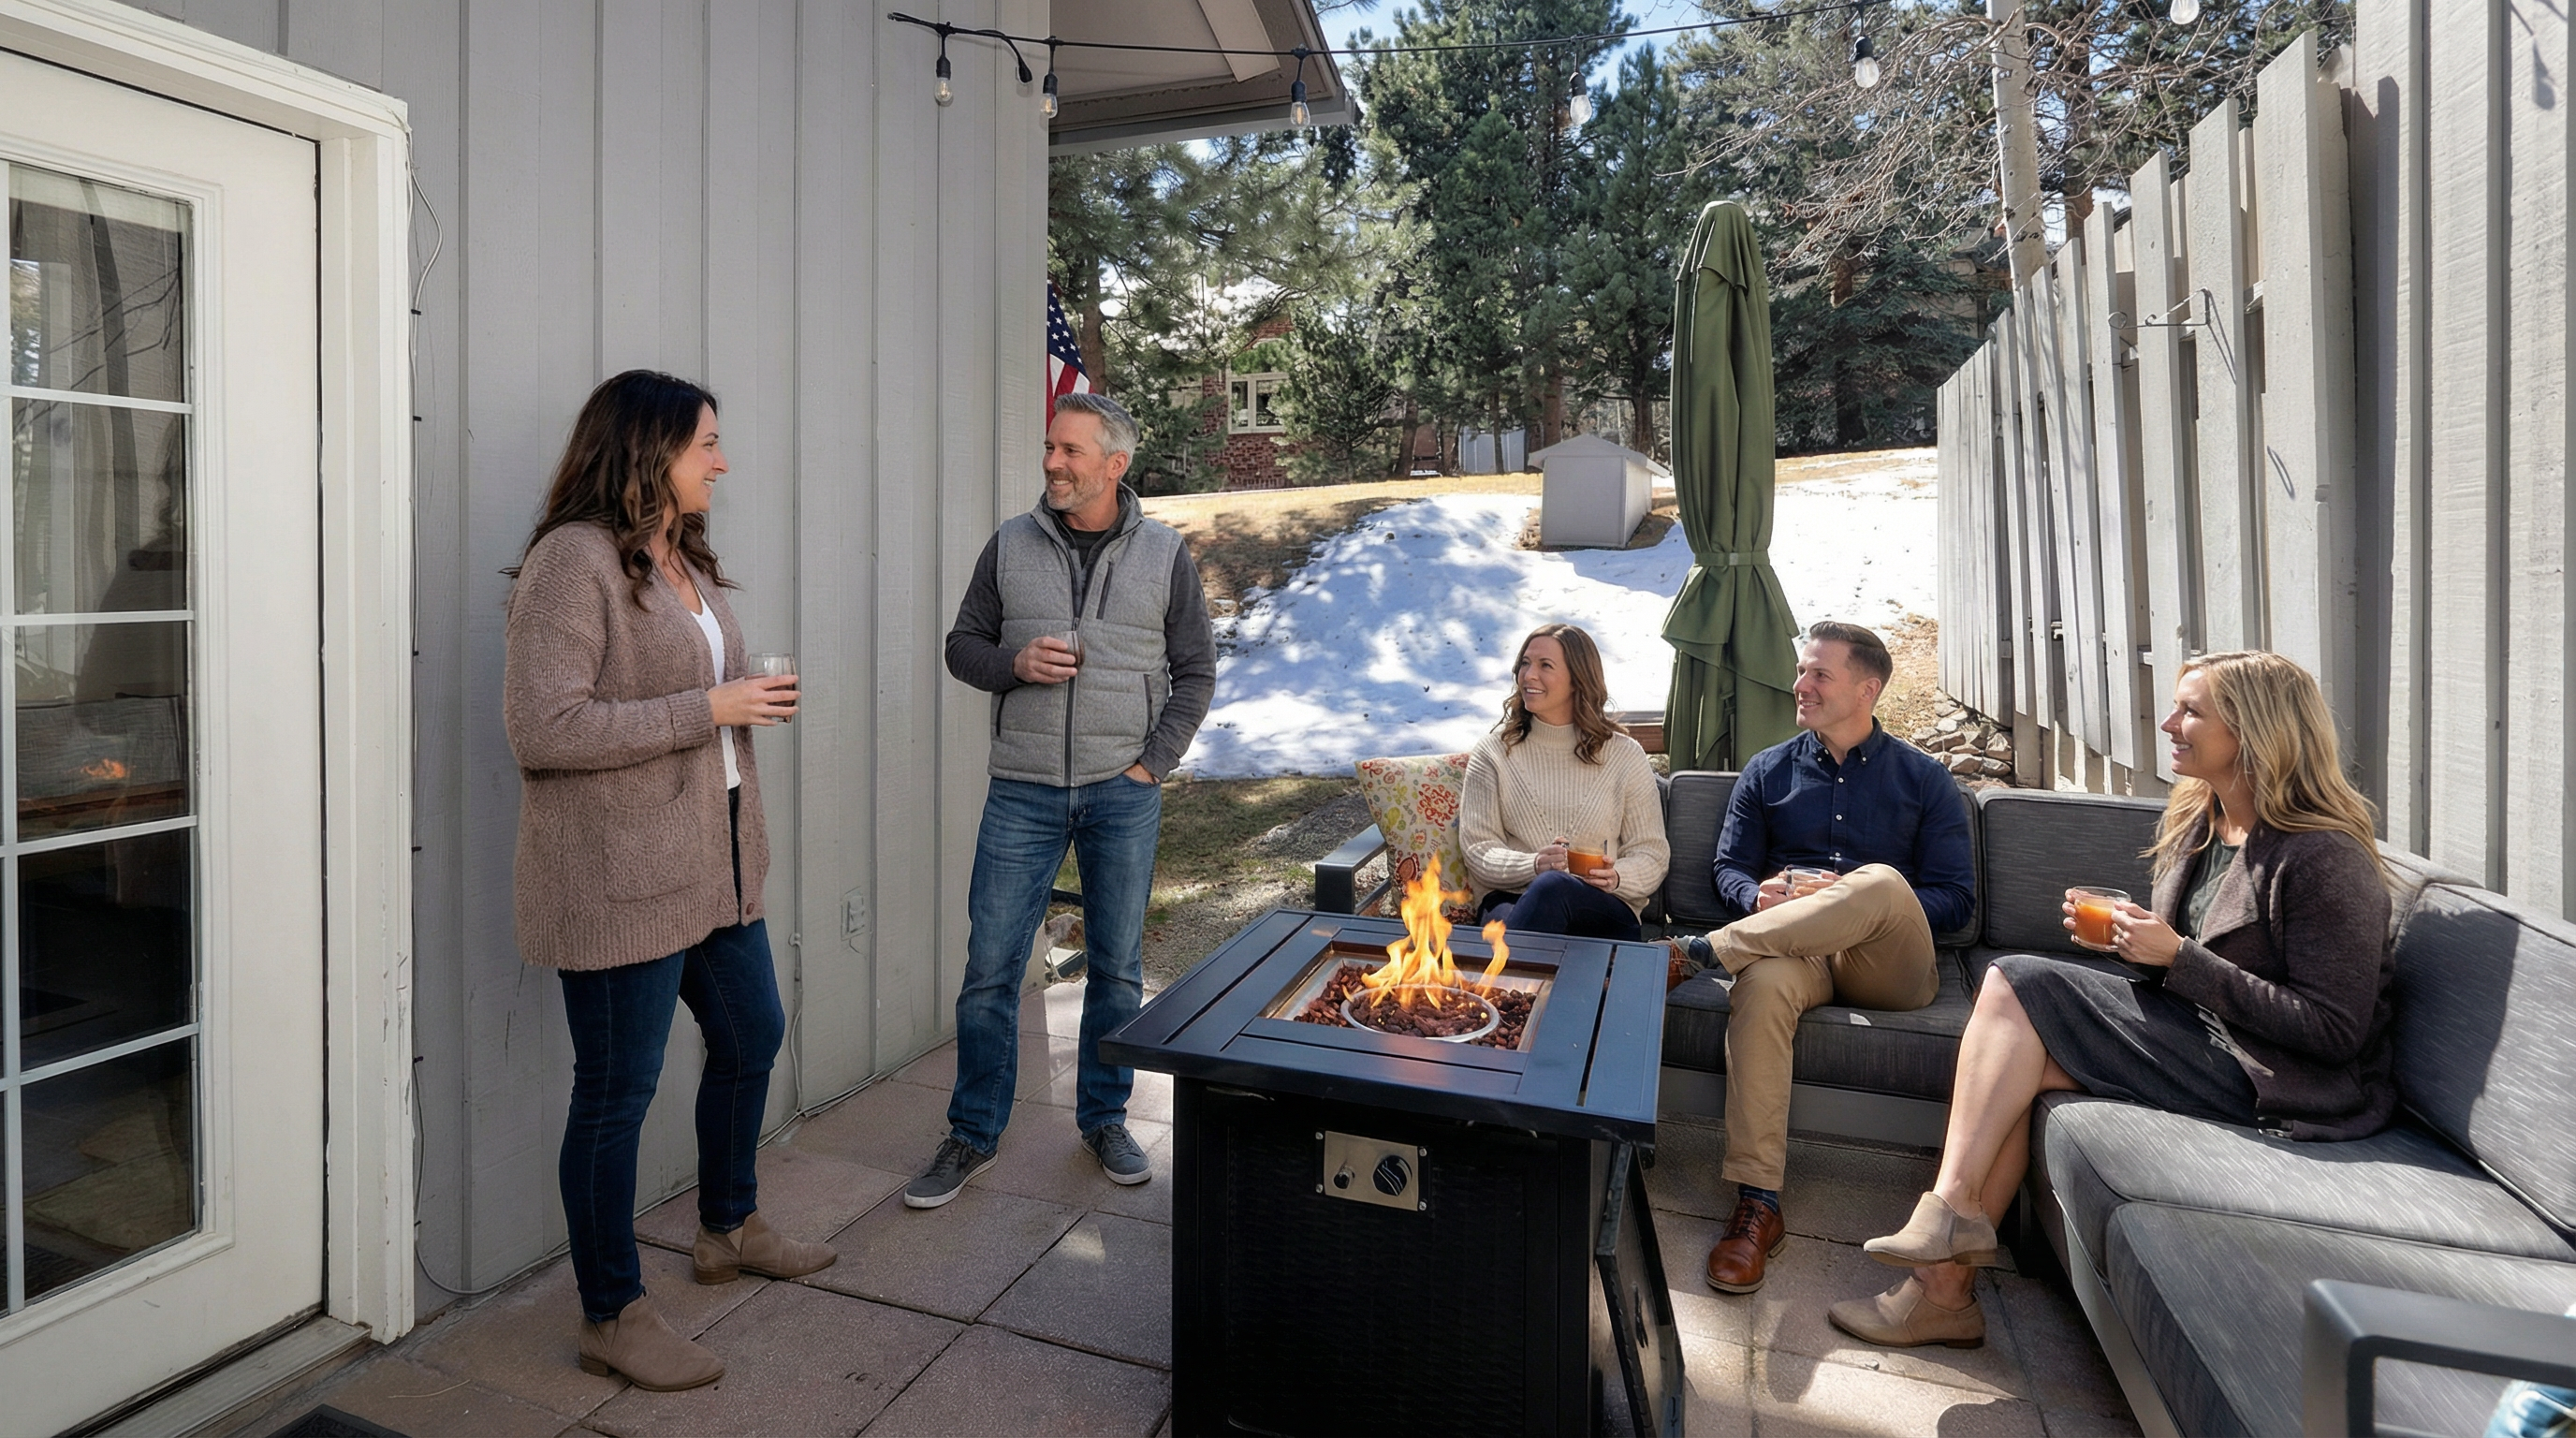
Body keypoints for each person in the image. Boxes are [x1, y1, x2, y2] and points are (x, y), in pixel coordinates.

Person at [1832, 650, 2393, 1349]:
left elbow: (2335, 1030)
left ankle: (1944, 1228)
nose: (2168, 723)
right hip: (2195, 1030)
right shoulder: (2203, 820)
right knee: (2023, 1044)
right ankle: (1942, 1289)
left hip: (2273, 1077)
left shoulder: (2322, 856)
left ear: (2254, 731)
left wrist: (2179, 958)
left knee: (2017, 984)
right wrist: (2134, 946)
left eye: (2191, 711)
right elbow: (2192, 963)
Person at [503, 371, 827, 1392]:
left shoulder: (680, 556)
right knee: (615, 1096)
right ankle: (611, 1312)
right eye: (706, 445)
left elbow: (711, 702)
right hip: (615, 877)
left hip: (713, 864)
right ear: (648, 450)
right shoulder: (572, 563)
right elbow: (542, 730)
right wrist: (713, 705)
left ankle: (727, 1226)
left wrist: (730, 705)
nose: (721, 462)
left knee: (750, 1033)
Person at [909, 391, 1216, 1209]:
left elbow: (1196, 672)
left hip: (1124, 792)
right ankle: (972, 1134)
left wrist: (1152, 764)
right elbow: (961, 648)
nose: (1052, 462)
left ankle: (1105, 1118)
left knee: (1116, 970)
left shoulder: (1164, 555)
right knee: (989, 971)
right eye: (1050, 447)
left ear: (1114, 465)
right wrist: (1014, 663)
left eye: (1071, 451)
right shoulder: (1010, 545)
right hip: (1023, 789)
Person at [1666, 621, 1973, 1295]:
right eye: (1802, 672)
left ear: (1868, 689)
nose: (1800, 685)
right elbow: (1728, 870)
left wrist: (1854, 898)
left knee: (1882, 882)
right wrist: (1760, 896)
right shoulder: (1768, 770)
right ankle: (1758, 1204)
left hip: (1887, 964)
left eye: (1818, 675)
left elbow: (1956, 901)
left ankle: (1699, 954)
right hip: (1793, 951)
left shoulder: (1925, 781)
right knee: (1764, 984)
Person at [1458, 624, 1669, 940]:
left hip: (1603, 906)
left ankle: (1495, 987)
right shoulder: (1494, 751)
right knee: (1522, 910)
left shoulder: (1624, 755)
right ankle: (1520, 987)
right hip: (1512, 899)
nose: (1528, 675)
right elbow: (1478, 848)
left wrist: (1616, 877)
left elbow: (1652, 853)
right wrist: (1533, 865)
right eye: (1525, 663)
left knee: (1552, 888)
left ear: (1577, 680)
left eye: (1545, 666)